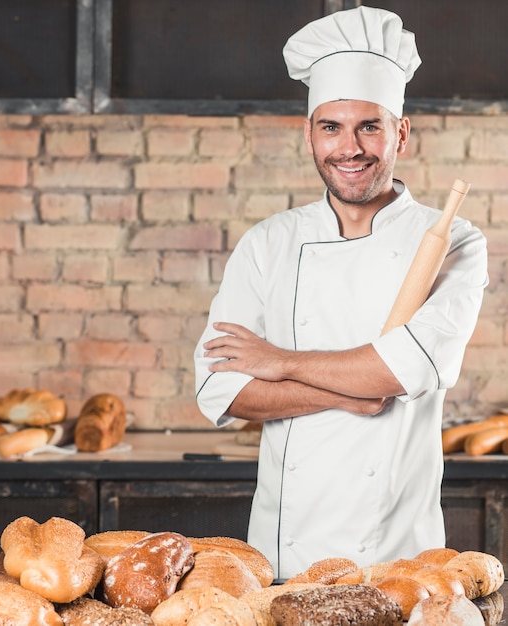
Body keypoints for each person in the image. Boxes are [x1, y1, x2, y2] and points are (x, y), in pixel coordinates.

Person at [193, 6, 488, 580]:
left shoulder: (454, 241)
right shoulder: (268, 243)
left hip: (398, 560)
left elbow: (399, 372)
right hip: (281, 559)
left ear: (401, 132)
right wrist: (346, 393)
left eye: (368, 127)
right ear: (309, 134)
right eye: (331, 127)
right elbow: (220, 390)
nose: (348, 148)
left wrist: (277, 363)